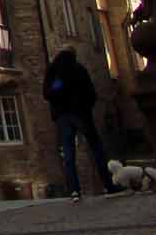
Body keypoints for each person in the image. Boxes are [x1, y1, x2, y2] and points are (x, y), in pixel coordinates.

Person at [44, 48, 117, 201]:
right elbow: (91, 92)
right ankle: (108, 185)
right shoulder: (79, 69)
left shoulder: (53, 71)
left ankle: (74, 190)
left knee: (68, 154)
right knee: (96, 149)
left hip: (63, 117)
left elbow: (47, 93)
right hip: (81, 114)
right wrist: (86, 107)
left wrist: (58, 106)